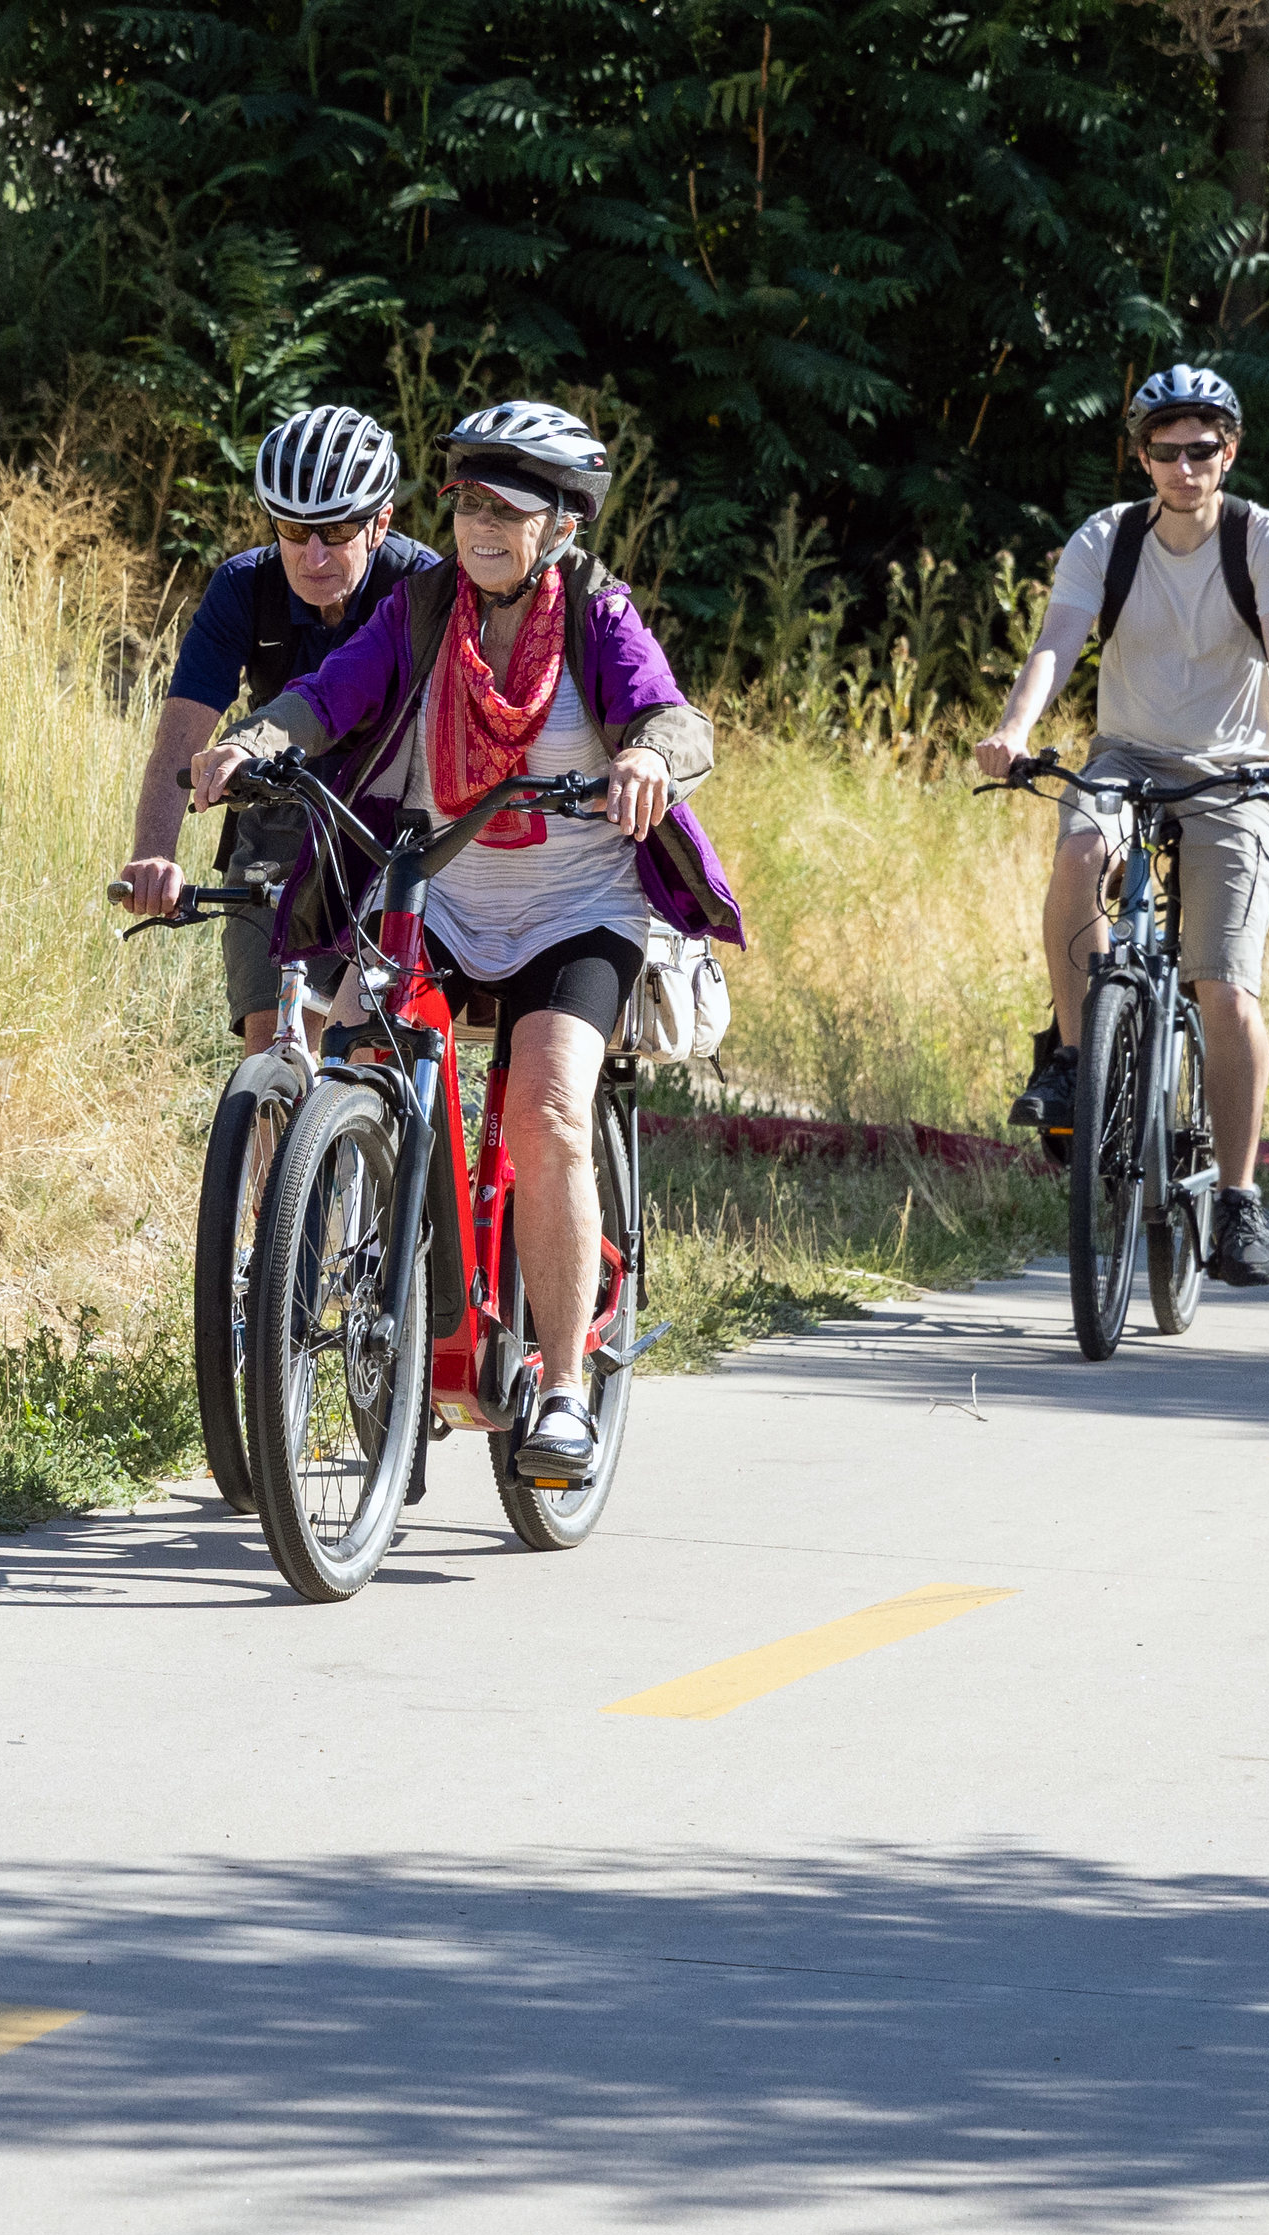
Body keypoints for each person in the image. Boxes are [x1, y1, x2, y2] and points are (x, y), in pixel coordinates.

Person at [190, 402, 746, 1490]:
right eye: (467, 502)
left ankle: (564, 1389)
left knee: (545, 1107)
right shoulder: (423, 606)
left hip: (576, 910)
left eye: (507, 507)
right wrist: (253, 741)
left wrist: (647, 759)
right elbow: (327, 695)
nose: (481, 524)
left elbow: (675, 718)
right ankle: (378, 1299)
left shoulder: (598, 612)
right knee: (349, 1050)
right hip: (437, 894)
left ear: (562, 524)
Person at [970, 364, 1269, 1290]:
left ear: (1229, 452)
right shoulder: (1108, 538)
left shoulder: (1261, 540)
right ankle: (1075, 1059)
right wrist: (1014, 730)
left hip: (1236, 771)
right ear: (1141, 458)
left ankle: (1239, 1198)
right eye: (1165, 452)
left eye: (1201, 450)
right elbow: (1057, 641)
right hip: (1127, 753)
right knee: (1080, 849)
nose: (1184, 467)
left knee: (1224, 987)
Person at [119, 408, 445, 1044]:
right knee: (274, 1040)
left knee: (363, 1045)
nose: (313, 556)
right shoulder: (244, 587)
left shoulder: (421, 584)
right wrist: (154, 854)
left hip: (396, 819)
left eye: (337, 530)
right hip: (282, 811)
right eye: (294, 530)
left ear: (380, 523)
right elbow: (179, 741)